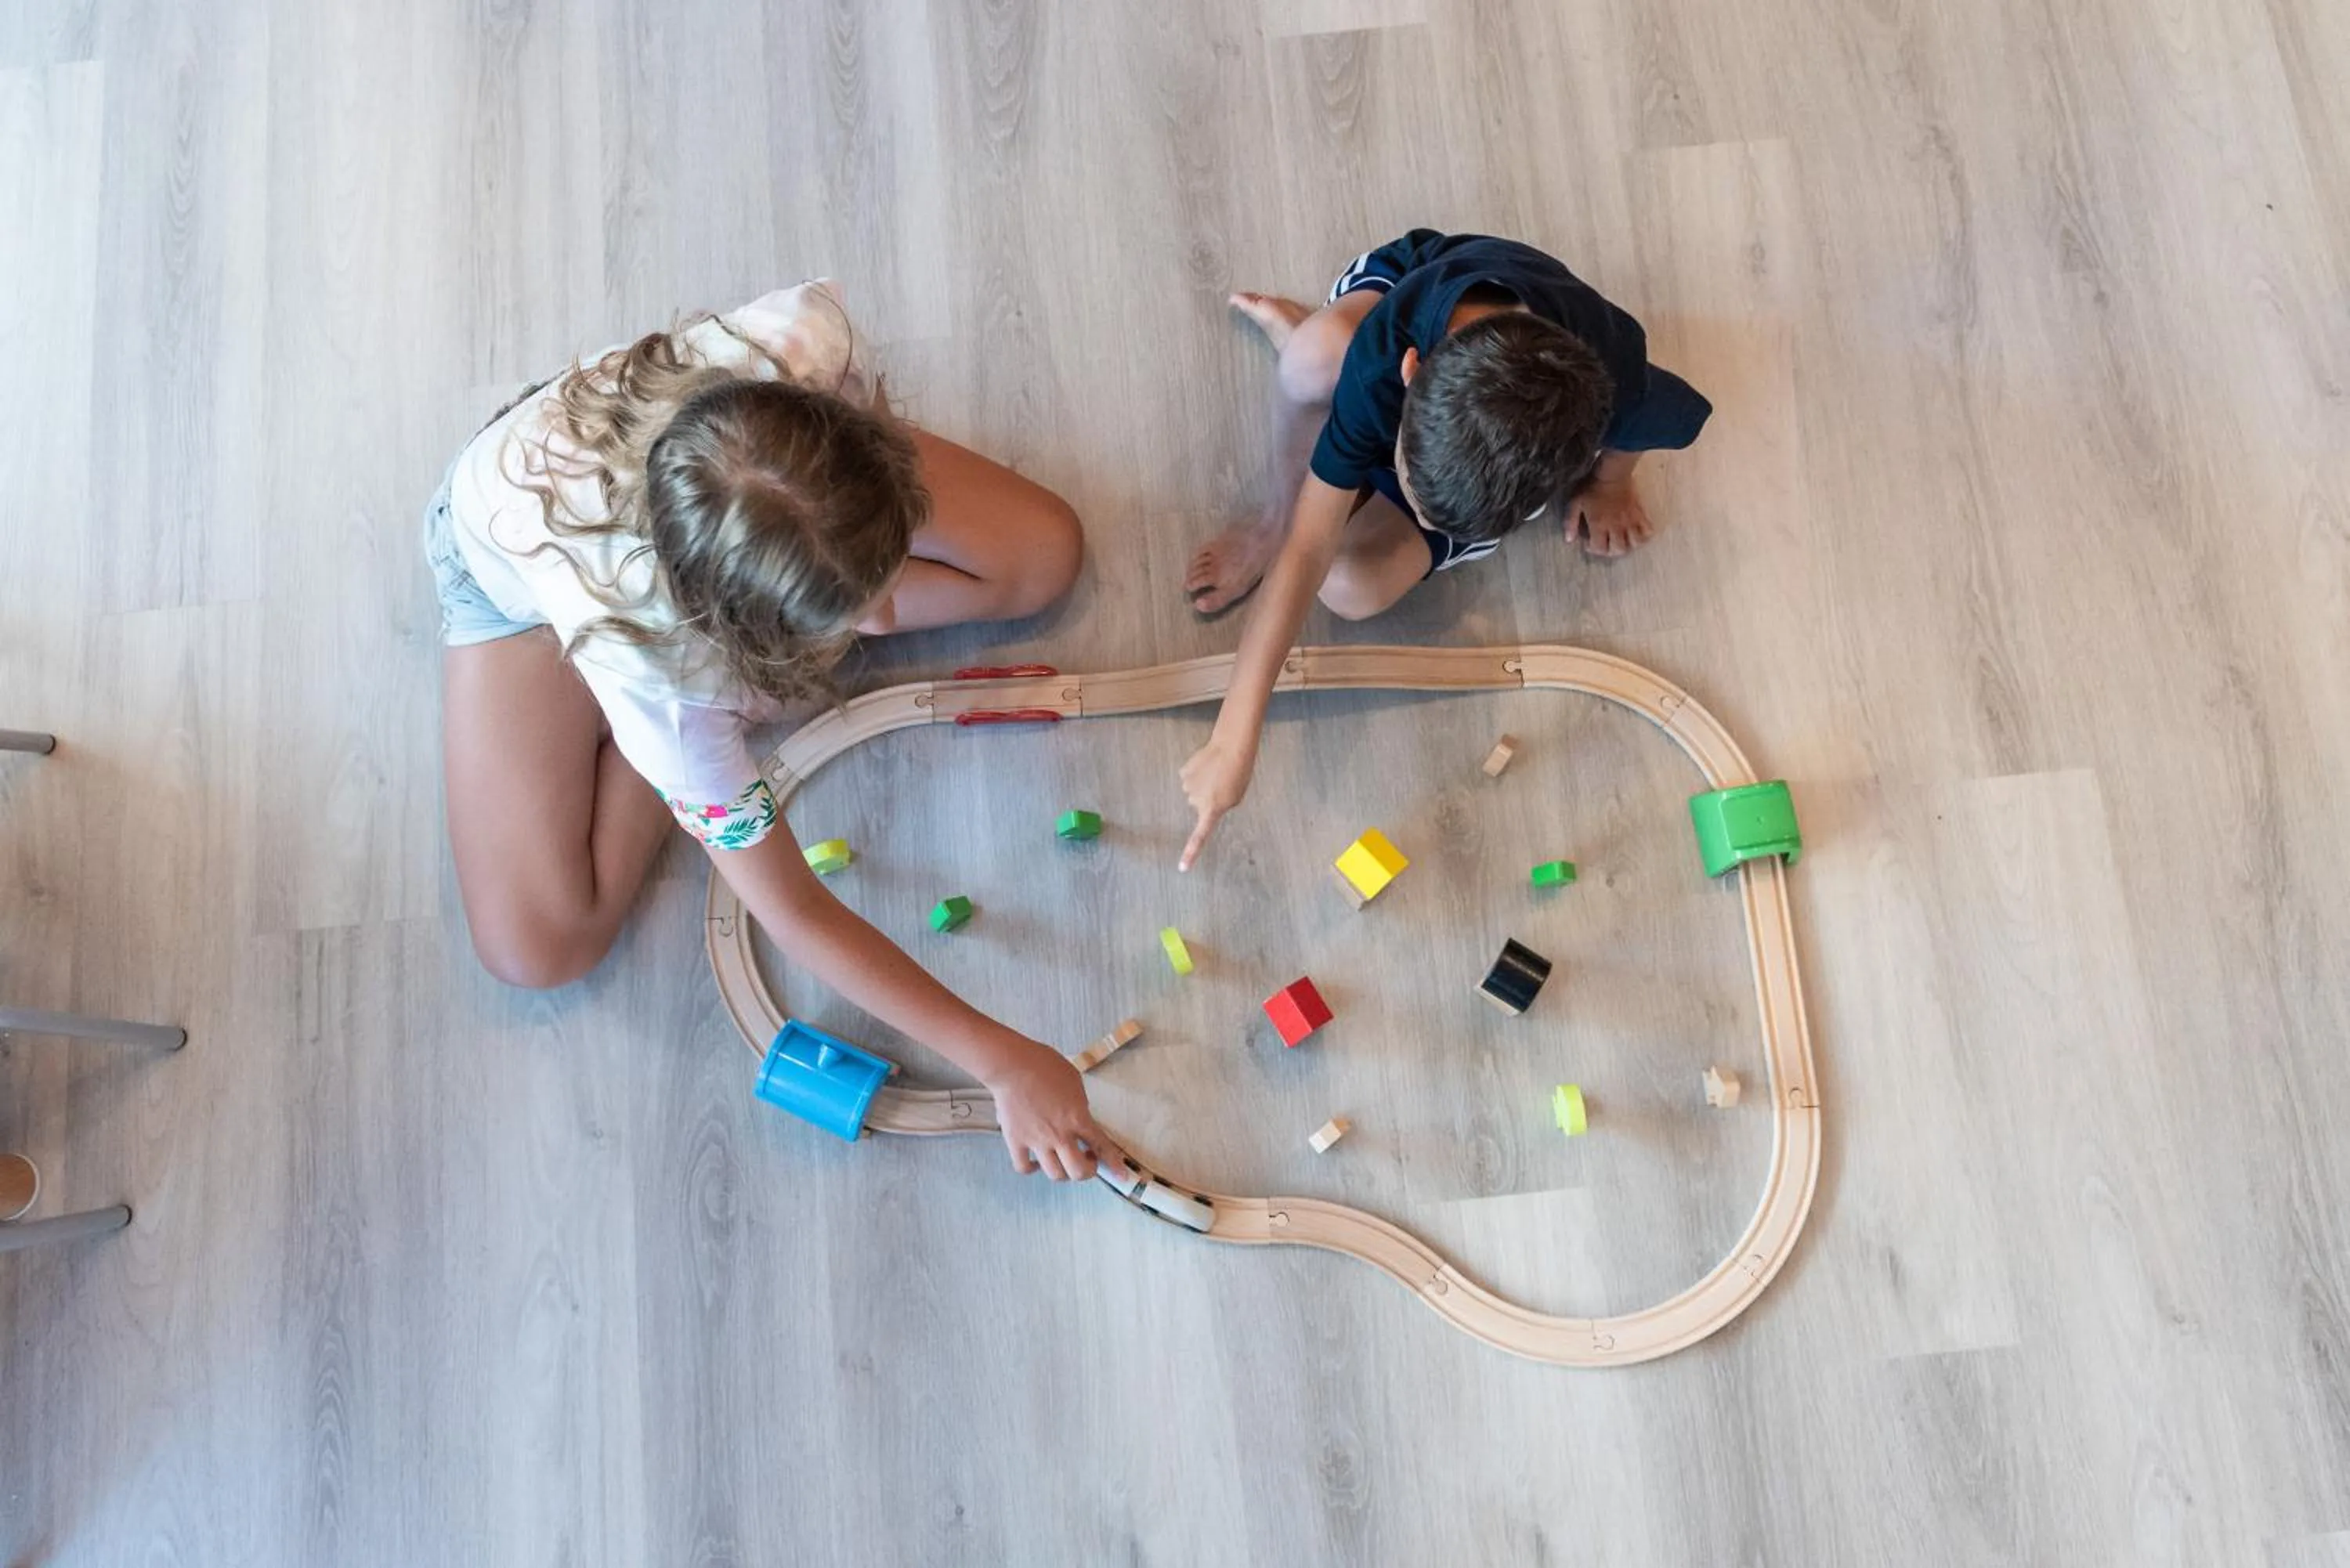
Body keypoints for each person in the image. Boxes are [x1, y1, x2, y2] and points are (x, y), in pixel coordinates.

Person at [425, 280, 1117, 1180]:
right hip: (514, 568)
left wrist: (844, 593)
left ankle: (736, 696)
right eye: (847, 611)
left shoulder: (804, 337)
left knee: (1043, 556)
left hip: (695, 475)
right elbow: (790, 910)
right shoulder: (669, 689)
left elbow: (920, 558)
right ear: (735, 629)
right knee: (538, 946)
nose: (878, 618)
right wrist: (1001, 1059)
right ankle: (683, 731)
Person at [1177, 229, 1713, 869]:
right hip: (1398, 303)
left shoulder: (1612, 375)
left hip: (1462, 412)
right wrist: (1233, 741)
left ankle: (1343, 429)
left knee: (1350, 588)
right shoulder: (1385, 359)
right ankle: (1278, 485)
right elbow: (1307, 543)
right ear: (1410, 377)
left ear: (1581, 444)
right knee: (1313, 358)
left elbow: (1661, 422)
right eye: (1407, 477)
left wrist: (1609, 485)